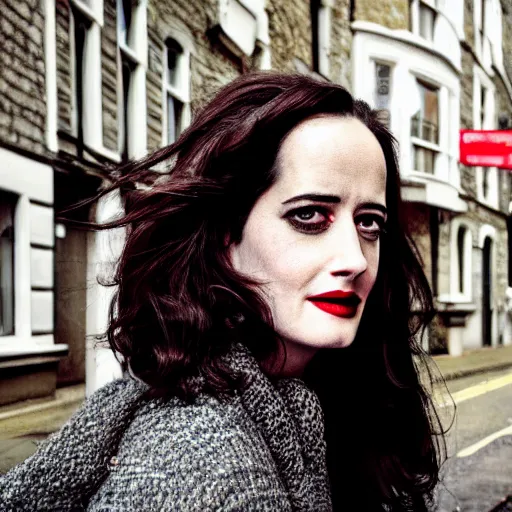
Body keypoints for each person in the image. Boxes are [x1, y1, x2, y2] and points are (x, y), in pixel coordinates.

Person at [0, 72, 445, 511]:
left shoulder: (334, 400)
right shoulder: (204, 472)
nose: (355, 259)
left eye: (369, 222)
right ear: (223, 236)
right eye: (309, 216)